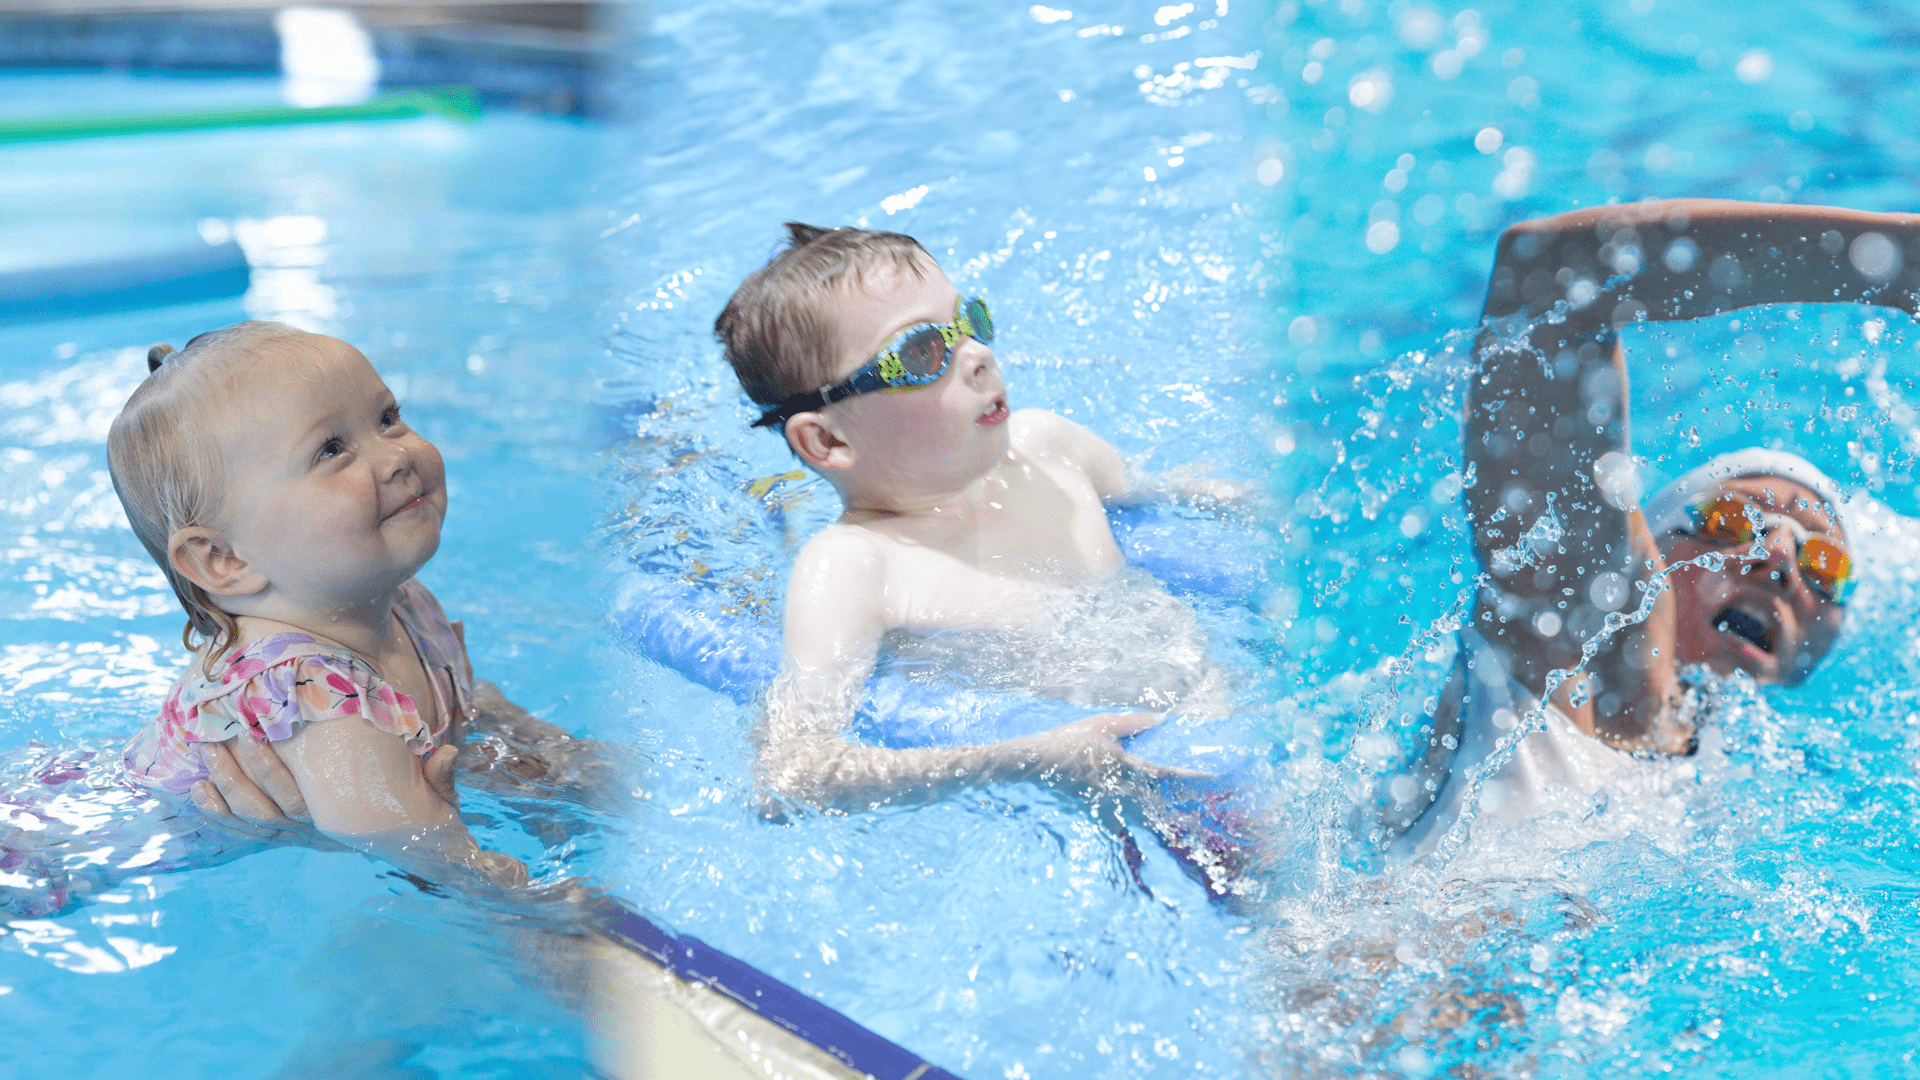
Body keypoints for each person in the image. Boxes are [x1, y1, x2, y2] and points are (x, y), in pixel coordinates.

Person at [1397, 199, 1912, 855]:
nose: (1778, 560)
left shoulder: (1731, 801)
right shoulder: (1588, 646)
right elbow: (1553, 276)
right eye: (1733, 520)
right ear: (1651, 548)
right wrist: (1900, 266)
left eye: (1823, 566)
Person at [714, 223, 1222, 814]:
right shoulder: (855, 567)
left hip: (1229, 720)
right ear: (827, 441)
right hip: (1145, 796)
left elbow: (1188, 492)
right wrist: (1026, 758)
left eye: (971, 323)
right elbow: (791, 771)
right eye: (922, 353)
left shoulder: (1050, 450)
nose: (978, 355)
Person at [105, 321, 542, 889]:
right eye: (331, 449)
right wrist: (536, 902)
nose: (395, 457)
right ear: (222, 559)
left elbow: (468, 715)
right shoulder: (306, 690)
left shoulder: (396, 601)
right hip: (82, 852)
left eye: (387, 418)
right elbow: (421, 851)